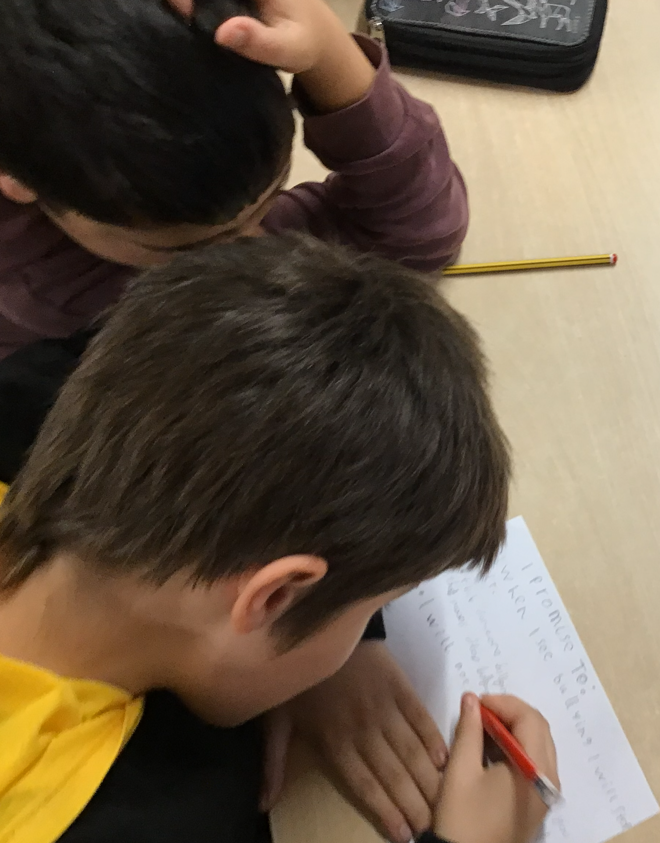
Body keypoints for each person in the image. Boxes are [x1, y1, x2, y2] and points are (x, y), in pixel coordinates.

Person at [0, 235, 558, 843]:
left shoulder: (26, 393)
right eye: (368, 609)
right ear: (271, 596)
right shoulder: (169, 812)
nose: (358, 635)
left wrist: (305, 638)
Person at [0, 0, 468, 361]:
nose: (251, 246)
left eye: (270, 199)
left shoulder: (189, 214)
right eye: (184, 248)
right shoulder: (109, 197)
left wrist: (328, 52)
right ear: (17, 179)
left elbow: (414, 242)